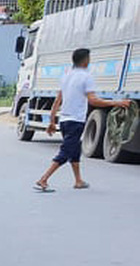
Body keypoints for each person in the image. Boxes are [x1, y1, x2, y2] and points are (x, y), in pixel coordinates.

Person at [34, 47, 132, 192]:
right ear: (86, 60)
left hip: (64, 120)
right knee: (66, 152)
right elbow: (93, 100)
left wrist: (52, 122)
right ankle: (43, 179)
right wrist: (117, 103)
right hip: (75, 121)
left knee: (74, 150)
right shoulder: (86, 77)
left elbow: (57, 101)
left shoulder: (66, 76)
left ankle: (78, 180)